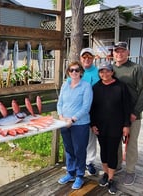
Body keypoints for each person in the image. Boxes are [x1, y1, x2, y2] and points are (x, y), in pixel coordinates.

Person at [90, 62, 131, 194]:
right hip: (100, 126)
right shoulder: (96, 87)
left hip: (116, 126)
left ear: (112, 72)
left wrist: (126, 125)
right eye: (101, 71)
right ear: (99, 74)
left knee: (112, 152)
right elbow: (92, 108)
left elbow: (127, 108)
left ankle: (112, 179)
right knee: (104, 151)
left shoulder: (121, 86)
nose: (104, 74)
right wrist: (93, 124)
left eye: (107, 71)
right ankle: (106, 174)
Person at [112, 41, 143, 185]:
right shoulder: (109, 69)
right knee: (115, 142)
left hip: (133, 114)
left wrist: (135, 112)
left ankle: (130, 170)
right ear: (113, 53)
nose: (119, 53)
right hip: (116, 115)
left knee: (131, 143)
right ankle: (117, 165)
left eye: (122, 51)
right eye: (116, 51)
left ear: (127, 52)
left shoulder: (136, 68)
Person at [57, 61, 93, 190]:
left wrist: (72, 119)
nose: (74, 72)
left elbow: (86, 107)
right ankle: (70, 173)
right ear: (68, 72)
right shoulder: (64, 85)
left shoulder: (86, 86)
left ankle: (79, 175)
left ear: (81, 72)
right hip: (64, 122)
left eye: (77, 70)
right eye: (71, 70)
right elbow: (59, 103)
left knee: (79, 150)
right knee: (69, 149)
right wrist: (61, 116)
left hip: (79, 124)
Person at [79, 48, 100, 175]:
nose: (87, 59)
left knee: (92, 138)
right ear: (81, 58)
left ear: (93, 58)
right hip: (79, 111)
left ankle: (89, 162)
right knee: (80, 137)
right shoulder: (76, 71)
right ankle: (79, 161)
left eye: (89, 57)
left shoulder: (98, 72)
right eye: (84, 57)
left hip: (94, 110)